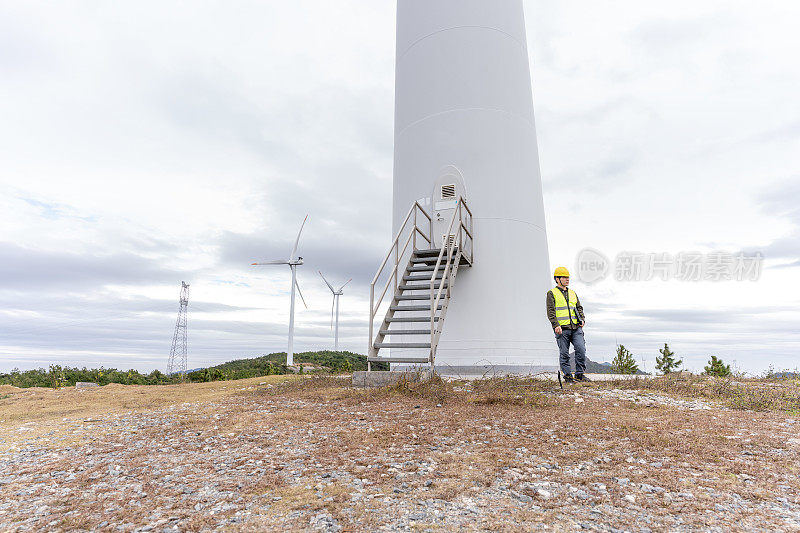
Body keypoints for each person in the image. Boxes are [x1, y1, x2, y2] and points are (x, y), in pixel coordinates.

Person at [545, 267, 587, 382]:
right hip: (561, 329)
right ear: (557, 279)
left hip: (576, 327)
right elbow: (551, 311)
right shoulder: (551, 293)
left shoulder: (573, 293)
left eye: (568, 277)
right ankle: (568, 377)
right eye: (564, 277)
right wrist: (555, 325)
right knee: (564, 354)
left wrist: (582, 319)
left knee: (581, 350)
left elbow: (579, 308)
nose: (567, 279)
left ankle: (580, 375)